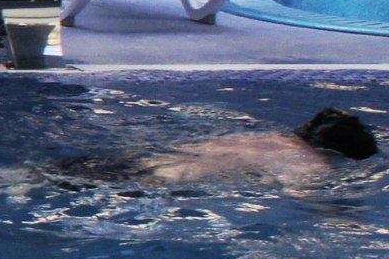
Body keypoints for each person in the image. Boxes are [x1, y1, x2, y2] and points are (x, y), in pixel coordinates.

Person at [118, 107, 379, 186]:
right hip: (161, 180)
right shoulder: (311, 164)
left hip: (141, 158)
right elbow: (301, 194)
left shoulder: (272, 136)